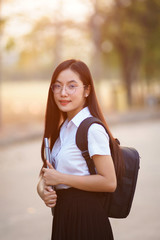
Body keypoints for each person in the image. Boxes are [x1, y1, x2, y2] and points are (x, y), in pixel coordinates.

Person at [37, 59, 123, 240]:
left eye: (71, 86)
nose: (63, 93)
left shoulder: (92, 129)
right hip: (63, 216)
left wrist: (61, 178)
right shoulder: (63, 129)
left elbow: (109, 182)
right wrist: (43, 191)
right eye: (57, 86)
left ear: (87, 90)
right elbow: (48, 175)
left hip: (87, 219)